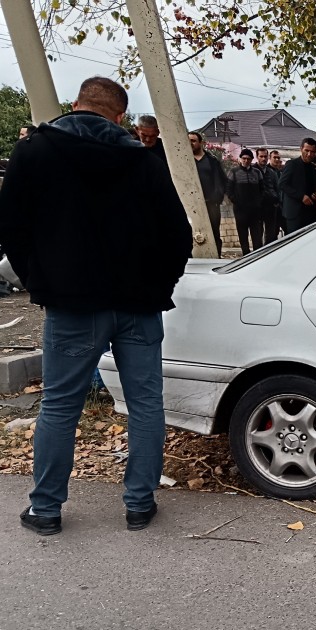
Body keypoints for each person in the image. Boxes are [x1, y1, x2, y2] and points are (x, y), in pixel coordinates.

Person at [0, 76, 192, 535]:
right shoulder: (142, 160)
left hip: (71, 304)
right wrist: (159, 284)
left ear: (75, 104)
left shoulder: (35, 152)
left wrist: (41, 282)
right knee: (145, 404)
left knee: (60, 405)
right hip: (139, 303)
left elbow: (11, 227)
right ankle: (139, 505)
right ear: (120, 117)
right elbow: (178, 234)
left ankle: (46, 510)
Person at [188, 132, 227, 256]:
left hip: (211, 204)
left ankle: (216, 258)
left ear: (201, 143)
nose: (190, 143)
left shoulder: (212, 161)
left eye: (193, 141)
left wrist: (217, 197)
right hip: (192, 205)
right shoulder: (185, 161)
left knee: (214, 233)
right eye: (188, 141)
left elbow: (222, 181)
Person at [226, 148, 266, 254]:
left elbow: (262, 189)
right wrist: (236, 201)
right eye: (244, 158)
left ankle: (257, 255)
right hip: (240, 210)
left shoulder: (257, 172)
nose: (246, 161)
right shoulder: (234, 172)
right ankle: (245, 255)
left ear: (252, 160)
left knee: (257, 236)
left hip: (255, 210)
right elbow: (229, 190)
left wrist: (258, 202)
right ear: (240, 159)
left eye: (248, 159)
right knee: (243, 235)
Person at [279, 138, 316, 233]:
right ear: (301, 149)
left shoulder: (315, 169)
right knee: (295, 240)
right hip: (294, 213)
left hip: (310, 213)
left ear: (315, 152)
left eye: (312, 152)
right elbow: (282, 184)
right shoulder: (292, 164)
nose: (309, 154)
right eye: (306, 150)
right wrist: (301, 196)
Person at [254, 148, 281, 244]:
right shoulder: (252, 171)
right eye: (261, 156)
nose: (263, 159)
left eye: (265, 156)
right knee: (257, 233)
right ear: (257, 157)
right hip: (257, 207)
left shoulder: (272, 172)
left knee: (271, 234)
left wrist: (276, 200)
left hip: (271, 206)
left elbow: (277, 188)